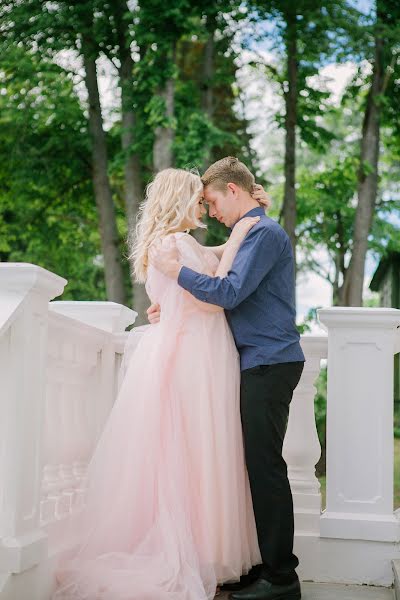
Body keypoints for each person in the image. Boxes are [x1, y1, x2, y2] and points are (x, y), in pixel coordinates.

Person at [51, 167, 265, 600]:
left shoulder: (171, 244)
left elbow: (212, 261)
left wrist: (248, 219)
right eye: (198, 199)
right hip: (197, 356)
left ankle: (203, 549)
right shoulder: (176, 244)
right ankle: (201, 550)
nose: (204, 205)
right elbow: (214, 292)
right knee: (197, 451)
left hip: (184, 350)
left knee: (184, 453)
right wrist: (246, 225)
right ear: (181, 200)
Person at [148, 156, 305, 600]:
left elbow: (228, 292)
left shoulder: (263, 234)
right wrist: (169, 304)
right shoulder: (248, 233)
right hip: (257, 361)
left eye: (213, 200)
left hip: (269, 361)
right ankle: (265, 568)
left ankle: (282, 580)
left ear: (232, 191)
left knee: (266, 469)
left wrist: (173, 272)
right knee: (255, 467)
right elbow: (220, 273)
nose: (211, 211)